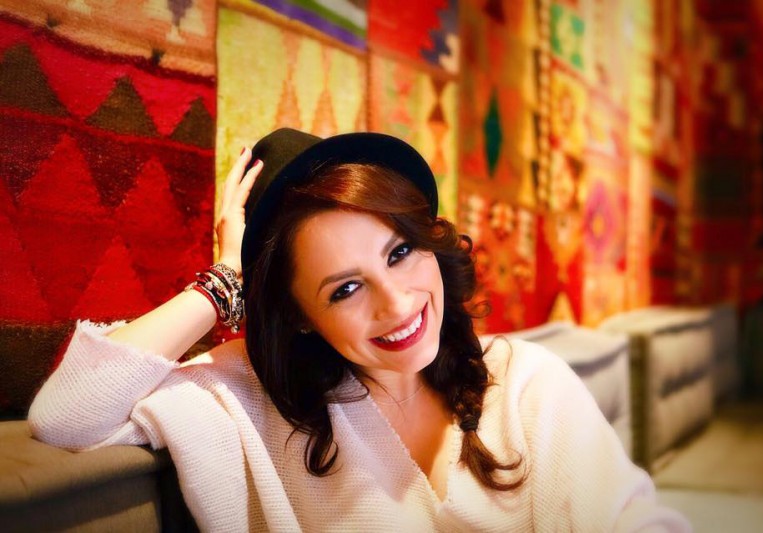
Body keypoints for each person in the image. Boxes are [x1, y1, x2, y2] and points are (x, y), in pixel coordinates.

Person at [28, 128, 690, 532]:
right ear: (298, 314)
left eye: (400, 252)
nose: (397, 304)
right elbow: (66, 414)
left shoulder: (525, 383)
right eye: (345, 289)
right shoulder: (250, 402)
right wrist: (227, 278)